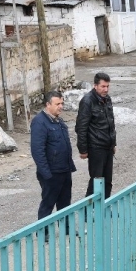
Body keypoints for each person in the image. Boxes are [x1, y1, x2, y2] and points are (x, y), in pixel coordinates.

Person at [30, 91, 76, 225]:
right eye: (57, 104)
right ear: (48, 105)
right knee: (48, 203)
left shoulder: (58, 121)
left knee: (65, 202)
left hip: (64, 169)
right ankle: (42, 231)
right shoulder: (40, 122)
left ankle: (66, 228)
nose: (61, 106)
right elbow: (37, 151)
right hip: (51, 173)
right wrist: (46, 174)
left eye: (62, 103)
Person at [76, 72, 116, 198]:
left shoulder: (107, 99)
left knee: (107, 181)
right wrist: (83, 149)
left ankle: (104, 209)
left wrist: (113, 143)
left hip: (107, 146)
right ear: (95, 86)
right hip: (96, 147)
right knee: (96, 181)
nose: (106, 89)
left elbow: (110, 123)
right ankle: (88, 212)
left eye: (107, 86)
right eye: (103, 86)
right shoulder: (88, 101)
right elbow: (81, 127)